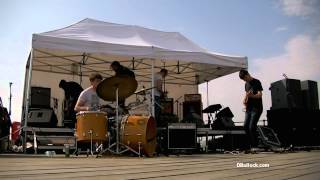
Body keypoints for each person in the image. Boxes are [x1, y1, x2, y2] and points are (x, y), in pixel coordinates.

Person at [239, 69, 263, 152]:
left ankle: (256, 146)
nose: (244, 80)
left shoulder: (257, 82)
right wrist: (244, 100)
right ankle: (251, 145)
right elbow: (247, 94)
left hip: (257, 108)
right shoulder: (246, 84)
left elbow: (260, 95)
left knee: (252, 127)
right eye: (243, 80)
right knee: (245, 126)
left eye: (245, 78)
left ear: (248, 74)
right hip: (249, 108)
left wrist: (252, 96)